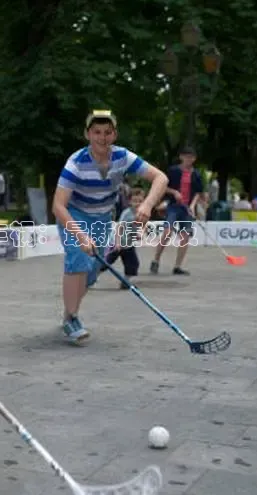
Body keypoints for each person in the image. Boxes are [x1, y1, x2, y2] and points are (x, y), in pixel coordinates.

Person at [52, 110, 168, 345]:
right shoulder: (76, 163)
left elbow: (161, 178)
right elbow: (57, 206)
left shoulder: (122, 157)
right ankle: (72, 318)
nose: (102, 138)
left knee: (93, 269)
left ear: (114, 135)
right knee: (78, 258)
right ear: (87, 134)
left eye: (107, 132)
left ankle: (68, 315)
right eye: (96, 132)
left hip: (103, 217)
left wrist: (147, 205)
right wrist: (81, 236)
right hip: (74, 215)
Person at [150, 146, 203, 276]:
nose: (188, 159)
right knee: (167, 232)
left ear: (194, 159)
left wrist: (192, 205)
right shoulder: (173, 171)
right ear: (181, 157)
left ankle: (178, 266)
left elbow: (198, 192)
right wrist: (174, 192)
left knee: (184, 236)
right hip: (173, 206)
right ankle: (156, 260)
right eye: (186, 156)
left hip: (187, 209)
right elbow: (163, 186)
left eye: (191, 157)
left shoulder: (196, 174)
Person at [102, 187, 145, 289]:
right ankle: (90, 278)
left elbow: (142, 226)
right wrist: (117, 243)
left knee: (133, 264)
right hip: (117, 242)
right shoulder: (127, 213)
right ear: (130, 201)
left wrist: (139, 234)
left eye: (140, 201)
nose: (137, 203)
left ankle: (125, 282)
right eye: (135, 201)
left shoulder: (142, 214)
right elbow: (119, 228)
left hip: (128, 244)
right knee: (106, 263)